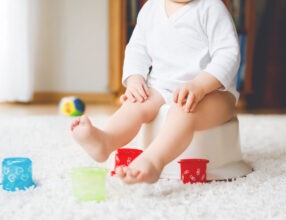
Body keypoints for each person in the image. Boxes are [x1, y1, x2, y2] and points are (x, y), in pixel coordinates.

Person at [71, 0, 240, 184]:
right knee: (136, 103)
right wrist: (135, 78)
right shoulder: (151, 8)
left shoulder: (211, 7)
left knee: (183, 110)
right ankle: (105, 141)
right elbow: (137, 49)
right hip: (162, 87)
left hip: (213, 92)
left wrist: (200, 85)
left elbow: (228, 53)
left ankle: (153, 160)